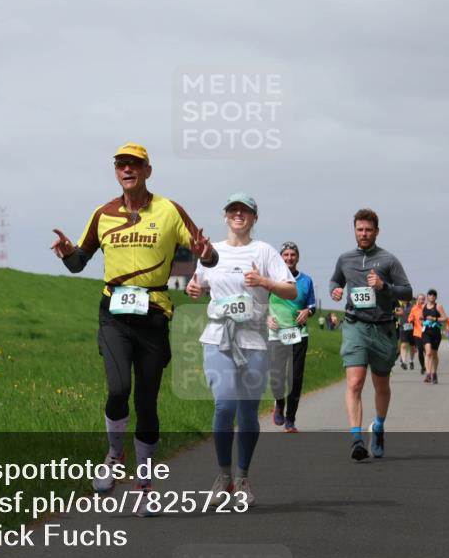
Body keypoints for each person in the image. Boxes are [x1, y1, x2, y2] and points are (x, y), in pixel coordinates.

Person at [51, 143, 218, 508]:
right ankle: (114, 455)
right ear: (116, 172)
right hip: (113, 313)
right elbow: (80, 262)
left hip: (154, 314)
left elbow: (208, 253)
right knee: (117, 389)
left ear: (147, 170)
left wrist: (205, 253)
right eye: (121, 165)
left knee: (146, 402)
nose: (127, 170)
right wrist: (67, 253)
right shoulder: (103, 214)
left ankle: (145, 483)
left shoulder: (170, 210)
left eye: (134, 165)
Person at [187, 193, 295, 505]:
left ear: (254, 218)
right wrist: (195, 288)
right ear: (225, 216)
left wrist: (264, 281)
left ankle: (243, 476)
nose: (238, 215)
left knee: (248, 413)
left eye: (245, 211)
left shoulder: (264, 252)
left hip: (254, 340)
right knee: (224, 405)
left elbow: (290, 289)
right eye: (233, 210)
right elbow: (199, 282)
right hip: (218, 336)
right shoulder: (213, 251)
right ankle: (223, 477)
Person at [330, 208, 413, 461]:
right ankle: (356, 439)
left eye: (368, 230)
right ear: (354, 230)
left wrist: (383, 286)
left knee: (381, 385)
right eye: (359, 229)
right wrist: (335, 291)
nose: (363, 234)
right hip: (355, 325)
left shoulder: (389, 260)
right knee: (354, 383)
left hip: (383, 328)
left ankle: (377, 426)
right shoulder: (345, 259)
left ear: (376, 231)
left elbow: (407, 292)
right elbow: (335, 281)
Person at [266, 241, 317, 433]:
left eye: (292, 255)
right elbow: (259, 303)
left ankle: (290, 419)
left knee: (295, 378)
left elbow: (312, 305)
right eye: (285, 255)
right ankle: (279, 403)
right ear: (281, 257)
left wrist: (307, 312)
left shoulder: (306, 280)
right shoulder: (272, 279)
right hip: (276, 333)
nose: (289, 258)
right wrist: (267, 318)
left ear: (298, 257)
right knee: (277, 375)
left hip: (299, 333)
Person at [421, 289, 448, 384]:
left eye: (434, 295)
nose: (432, 296)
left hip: (436, 332)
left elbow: (445, 318)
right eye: (430, 295)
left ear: (436, 297)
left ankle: (434, 373)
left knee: (434, 354)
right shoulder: (423, 306)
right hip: (426, 332)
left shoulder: (438, 306)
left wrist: (434, 318)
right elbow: (421, 317)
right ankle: (428, 374)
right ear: (427, 296)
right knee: (428, 353)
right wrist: (422, 320)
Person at [407, 293, 427, 376]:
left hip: (427, 332)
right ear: (417, 300)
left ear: (424, 300)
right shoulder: (414, 309)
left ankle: (428, 365)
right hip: (417, 333)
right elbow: (410, 318)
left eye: (423, 299)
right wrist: (411, 321)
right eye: (420, 299)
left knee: (428, 351)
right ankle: (423, 367)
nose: (421, 301)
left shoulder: (427, 308)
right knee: (420, 350)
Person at [395, 302, 415, 370]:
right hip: (402, 328)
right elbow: (395, 315)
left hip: (412, 328)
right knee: (403, 345)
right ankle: (404, 362)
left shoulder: (413, 306)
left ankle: (411, 361)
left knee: (412, 346)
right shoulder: (398, 306)